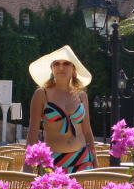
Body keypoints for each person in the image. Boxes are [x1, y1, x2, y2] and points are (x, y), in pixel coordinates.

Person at [24, 45, 97, 173]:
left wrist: (95, 162)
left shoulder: (81, 95)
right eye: (56, 64)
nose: (61, 67)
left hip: (83, 160)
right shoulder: (41, 94)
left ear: (74, 70)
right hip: (52, 162)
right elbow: (33, 131)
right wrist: (27, 165)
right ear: (51, 69)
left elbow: (87, 131)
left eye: (66, 63)